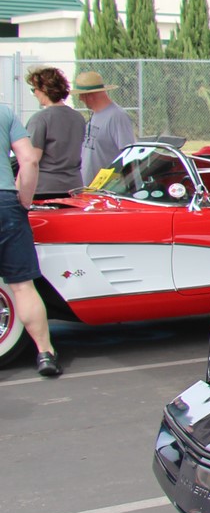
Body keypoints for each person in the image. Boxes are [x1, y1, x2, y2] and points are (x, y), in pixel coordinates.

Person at [0, 103, 60, 376]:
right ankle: (46, 354)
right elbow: (29, 160)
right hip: (5, 202)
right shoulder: (5, 112)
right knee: (23, 286)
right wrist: (24, 200)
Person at [25, 67, 85, 200]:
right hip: (74, 187)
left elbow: (32, 159)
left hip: (45, 188)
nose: (34, 94)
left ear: (44, 89)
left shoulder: (40, 119)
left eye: (34, 89)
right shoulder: (78, 118)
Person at [73, 70, 134, 185]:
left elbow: (129, 155)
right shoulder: (95, 115)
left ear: (89, 95)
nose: (80, 99)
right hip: (89, 188)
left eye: (81, 95)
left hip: (107, 189)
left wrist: (130, 187)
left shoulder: (117, 116)